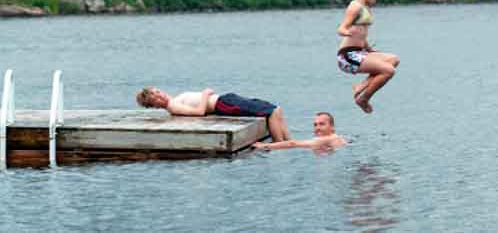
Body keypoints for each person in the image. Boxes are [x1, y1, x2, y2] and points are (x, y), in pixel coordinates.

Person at [336, 0, 400, 114]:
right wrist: (346, 32)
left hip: (359, 53)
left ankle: (361, 86)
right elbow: (341, 28)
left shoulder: (366, 7)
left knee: (393, 60)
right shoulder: (355, 6)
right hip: (347, 56)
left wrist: (369, 49)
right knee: (388, 70)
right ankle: (363, 98)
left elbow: (362, 33)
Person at [136, 87, 291, 142]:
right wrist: (205, 94)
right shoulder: (173, 106)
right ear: (154, 106)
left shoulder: (174, 100)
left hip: (226, 100)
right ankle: (280, 144)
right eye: (154, 98)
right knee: (272, 112)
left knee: (276, 109)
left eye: (157, 92)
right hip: (223, 104)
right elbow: (199, 112)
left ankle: (290, 142)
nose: (159, 96)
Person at [251, 112, 346, 153]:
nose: (317, 128)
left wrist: (265, 146)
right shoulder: (337, 138)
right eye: (315, 125)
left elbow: (293, 143)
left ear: (332, 127)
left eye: (322, 124)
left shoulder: (324, 139)